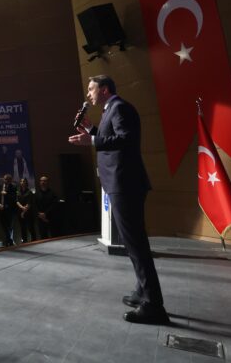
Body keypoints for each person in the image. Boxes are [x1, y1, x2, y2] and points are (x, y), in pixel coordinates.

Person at [69, 74, 168, 325]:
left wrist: (92, 140)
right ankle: (142, 292)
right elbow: (111, 138)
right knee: (132, 243)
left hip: (126, 184)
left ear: (104, 89)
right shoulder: (110, 110)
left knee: (136, 244)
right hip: (121, 184)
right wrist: (91, 130)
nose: (88, 94)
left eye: (91, 89)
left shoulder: (120, 107)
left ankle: (154, 305)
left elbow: (126, 139)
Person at [34, 174, 59, 239]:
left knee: (54, 236)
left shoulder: (53, 193)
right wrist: (40, 214)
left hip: (51, 218)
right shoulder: (36, 194)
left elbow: (54, 205)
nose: (43, 182)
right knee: (43, 236)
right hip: (40, 219)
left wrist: (45, 214)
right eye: (41, 181)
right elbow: (34, 205)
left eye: (44, 181)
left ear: (47, 182)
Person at [16, 177, 34, 243]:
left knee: (30, 227)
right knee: (22, 228)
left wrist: (23, 212)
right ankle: (24, 241)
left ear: (26, 183)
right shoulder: (18, 192)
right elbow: (17, 201)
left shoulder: (29, 192)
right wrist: (21, 208)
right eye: (21, 181)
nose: (22, 182)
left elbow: (29, 203)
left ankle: (34, 240)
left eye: (24, 181)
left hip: (28, 212)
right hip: (20, 211)